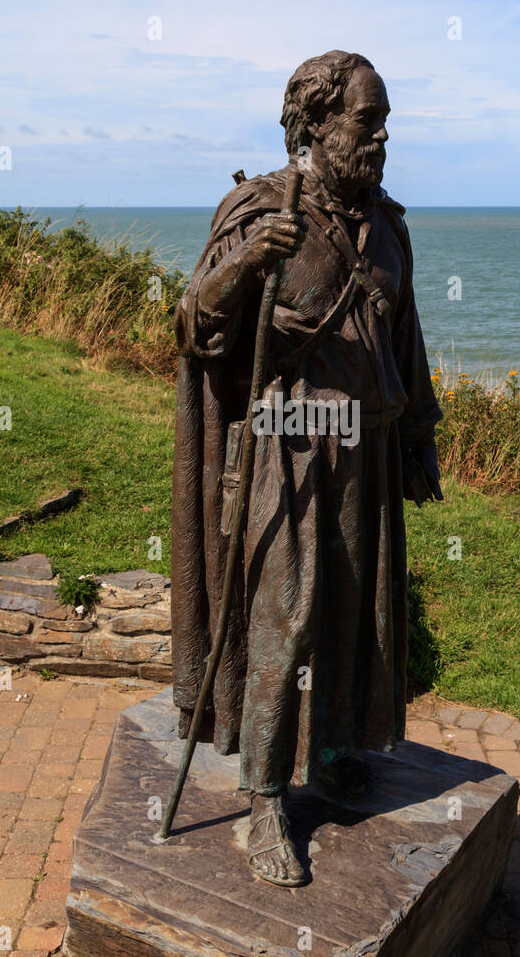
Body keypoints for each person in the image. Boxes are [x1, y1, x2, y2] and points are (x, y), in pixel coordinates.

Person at [172, 50, 442, 886]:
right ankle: (262, 799)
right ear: (316, 125)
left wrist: (417, 439)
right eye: (368, 122)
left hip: (361, 447)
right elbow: (193, 326)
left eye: (385, 121)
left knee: (351, 614)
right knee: (282, 620)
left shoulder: (389, 227)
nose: (382, 137)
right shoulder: (259, 210)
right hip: (286, 449)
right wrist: (251, 261)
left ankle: (329, 757)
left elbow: (406, 343)